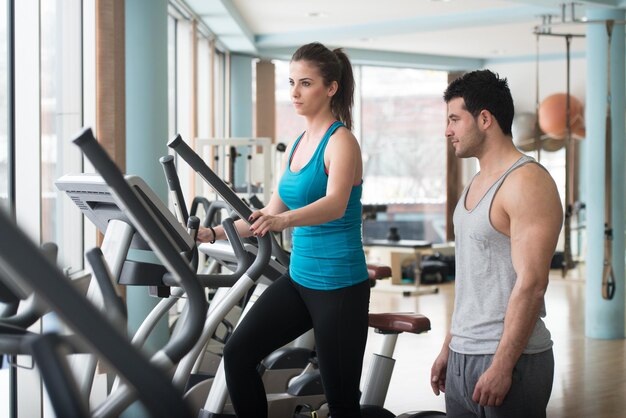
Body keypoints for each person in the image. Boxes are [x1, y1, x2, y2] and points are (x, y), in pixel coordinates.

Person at [197, 42, 370, 418]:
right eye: (291, 82)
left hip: (339, 286)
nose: (294, 92)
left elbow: (335, 203)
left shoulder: (342, 143)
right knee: (237, 353)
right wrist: (210, 234)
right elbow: (268, 213)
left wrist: (283, 221)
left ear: (331, 87)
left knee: (341, 404)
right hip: (300, 280)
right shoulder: (296, 145)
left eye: (305, 83)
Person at [430, 70, 562, 418]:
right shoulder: (474, 184)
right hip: (463, 356)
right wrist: (449, 346)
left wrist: (503, 365)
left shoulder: (527, 182)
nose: (448, 130)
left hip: (510, 359)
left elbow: (532, 283)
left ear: (485, 119)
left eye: (455, 119)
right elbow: (472, 281)